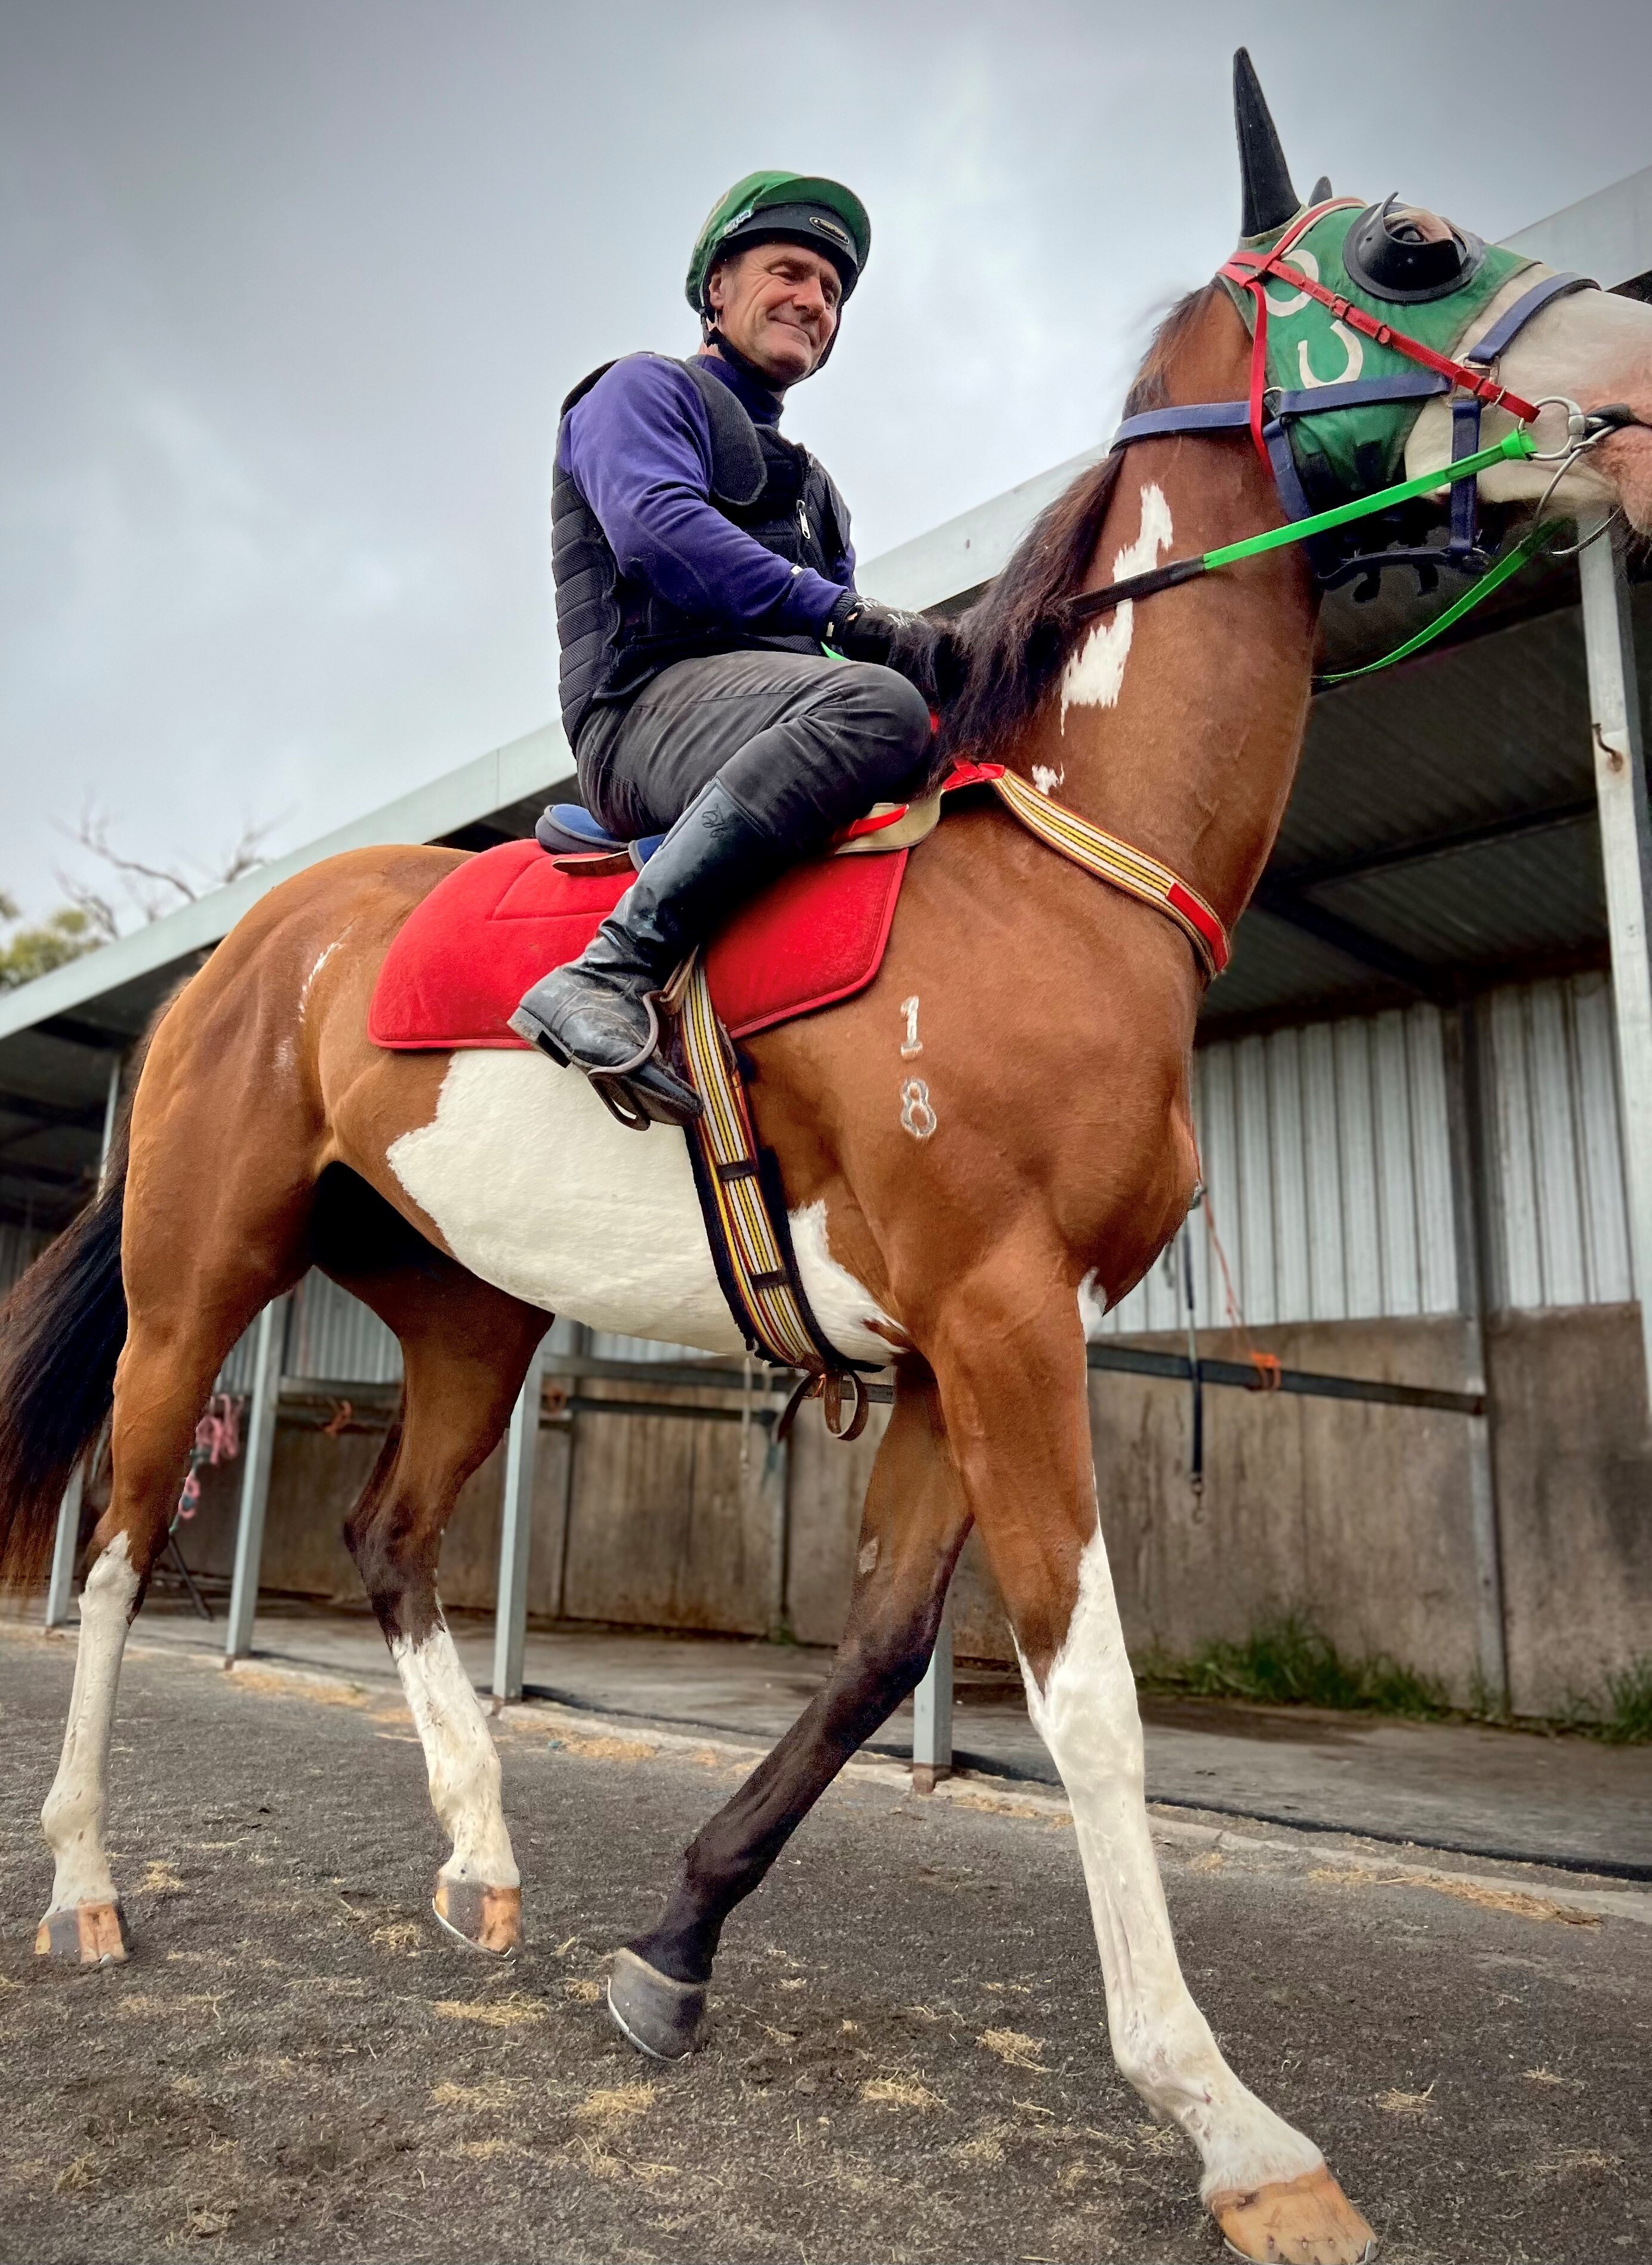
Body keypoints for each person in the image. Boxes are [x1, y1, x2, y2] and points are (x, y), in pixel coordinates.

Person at [510, 171, 961, 1127]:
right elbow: (657, 526)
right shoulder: (639, 391)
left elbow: (826, 651)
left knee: (927, 732)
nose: (813, 301)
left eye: (832, 294)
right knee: (875, 708)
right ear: (717, 288)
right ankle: (609, 969)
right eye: (789, 272)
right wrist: (850, 618)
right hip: (639, 722)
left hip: (768, 719)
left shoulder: (819, 491)